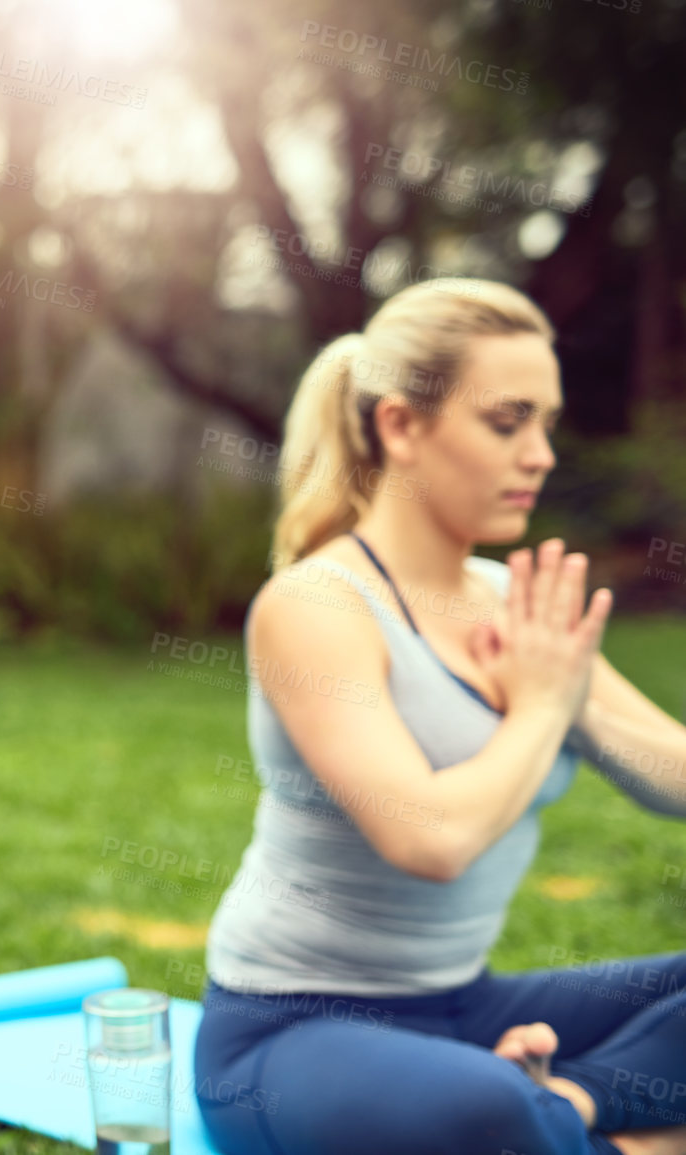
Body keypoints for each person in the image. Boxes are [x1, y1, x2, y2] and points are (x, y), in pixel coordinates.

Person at [193, 277, 686, 1155]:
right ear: (399, 425)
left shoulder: (515, 605)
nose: (539, 454)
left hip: (467, 1005)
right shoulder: (316, 605)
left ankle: (569, 1104)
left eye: (545, 424)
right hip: (287, 1033)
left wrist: (572, 699)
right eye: (507, 422)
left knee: (508, 1104)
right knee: (487, 1112)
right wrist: (541, 705)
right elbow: (429, 839)